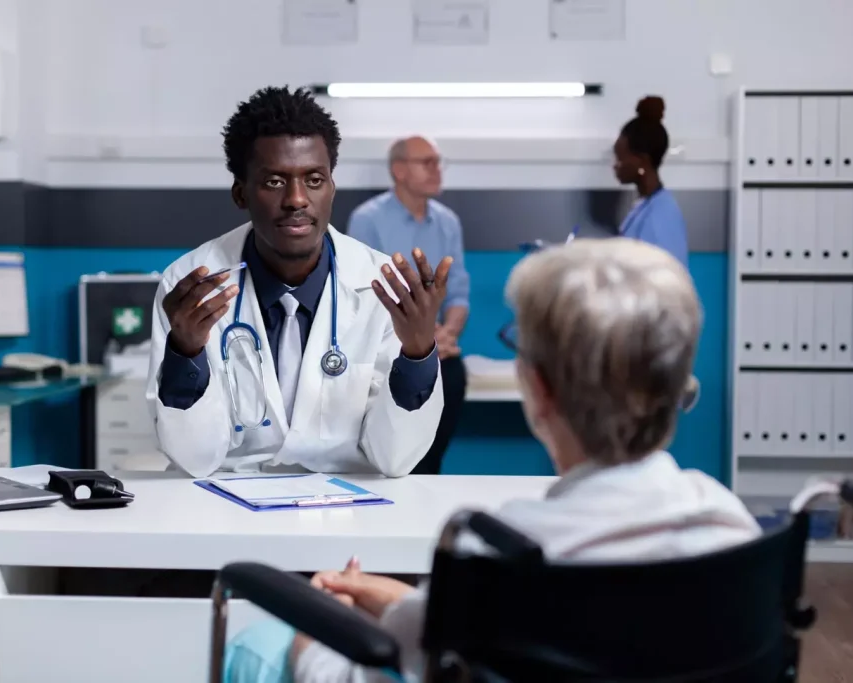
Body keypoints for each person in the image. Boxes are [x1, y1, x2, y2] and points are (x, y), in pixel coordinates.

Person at [222, 238, 762, 682]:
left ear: (540, 392)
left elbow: (370, 671)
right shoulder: (728, 525)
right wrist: (388, 599)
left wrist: (315, 631)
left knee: (257, 647)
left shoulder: (503, 552)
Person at [146, 87, 450, 479]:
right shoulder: (191, 287)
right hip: (228, 503)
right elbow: (193, 459)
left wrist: (418, 352)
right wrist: (185, 352)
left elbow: (395, 459)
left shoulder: (383, 289)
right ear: (241, 193)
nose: (297, 199)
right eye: (274, 182)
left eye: (314, 179)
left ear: (331, 189)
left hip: (347, 506)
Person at [347, 136, 471, 475]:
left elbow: (458, 290)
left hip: (436, 344)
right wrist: (419, 335)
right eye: (426, 162)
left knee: (453, 373)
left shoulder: (447, 221)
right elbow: (367, 290)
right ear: (399, 170)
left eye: (437, 161)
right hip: (386, 341)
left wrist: (445, 334)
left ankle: (429, 474)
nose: (436, 170)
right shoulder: (368, 219)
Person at [613, 96, 689, 269]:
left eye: (620, 158)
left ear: (641, 161)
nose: (615, 166)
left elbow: (664, 283)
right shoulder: (645, 205)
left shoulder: (660, 216)